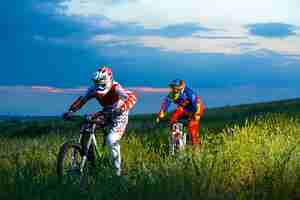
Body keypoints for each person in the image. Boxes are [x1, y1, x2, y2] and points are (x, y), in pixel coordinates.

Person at [63, 66, 137, 176]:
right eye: (96, 83)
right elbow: (82, 100)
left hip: (119, 117)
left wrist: (122, 108)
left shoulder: (116, 88)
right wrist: (70, 111)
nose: (98, 88)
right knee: (86, 128)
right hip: (106, 113)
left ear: (109, 80)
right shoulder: (93, 89)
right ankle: (90, 161)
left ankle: (117, 173)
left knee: (111, 140)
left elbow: (132, 98)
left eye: (102, 84)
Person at [156, 79, 204, 146]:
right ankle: (175, 136)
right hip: (185, 109)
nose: (173, 89)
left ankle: (195, 148)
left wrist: (197, 114)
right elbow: (166, 103)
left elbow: (197, 102)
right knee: (174, 115)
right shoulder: (172, 94)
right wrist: (161, 112)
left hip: (196, 110)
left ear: (180, 87)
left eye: (174, 87)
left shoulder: (188, 92)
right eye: (172, 87)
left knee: (192, 126)